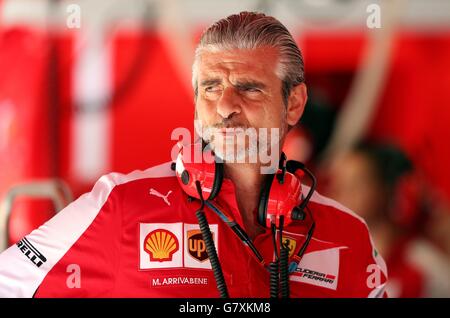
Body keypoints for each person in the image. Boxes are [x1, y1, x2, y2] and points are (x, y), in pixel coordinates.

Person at [0, 11, 386, 298]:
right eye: (211, 88)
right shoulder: (121, 205)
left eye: (249, 89)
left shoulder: (346, 236)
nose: (225, 107)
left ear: (294, 104)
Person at [325, 142, 424, 297]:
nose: (338, 194)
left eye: (355, 185)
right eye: (337, 184)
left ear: (385, 190)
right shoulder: (318, 254)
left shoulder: (421, 268)